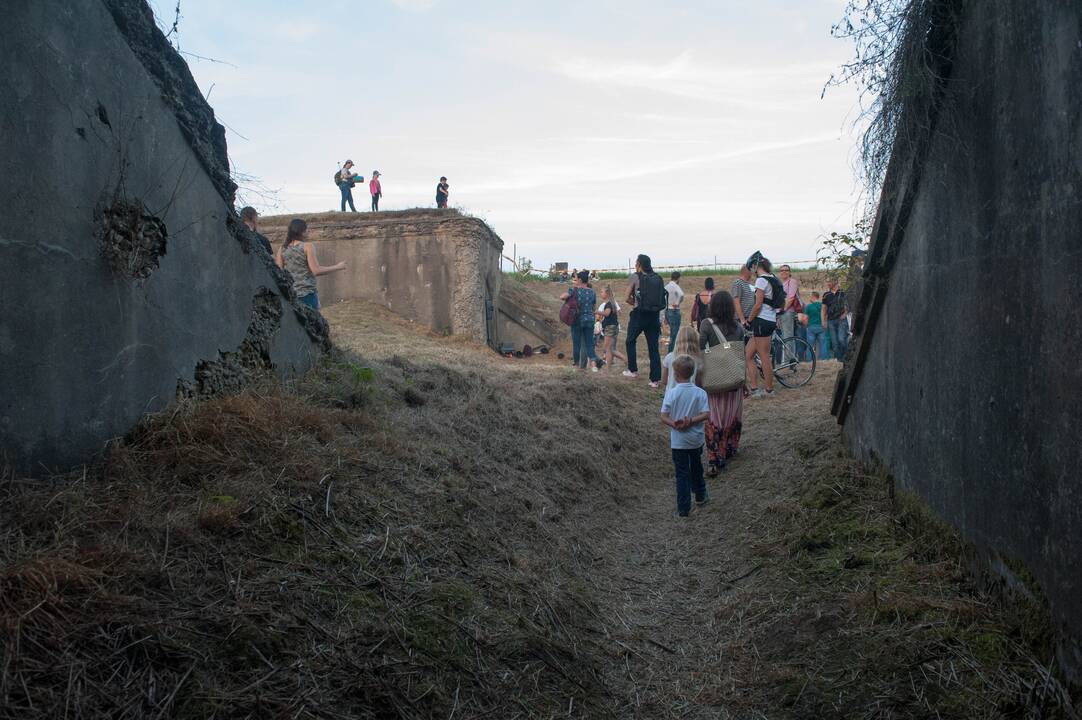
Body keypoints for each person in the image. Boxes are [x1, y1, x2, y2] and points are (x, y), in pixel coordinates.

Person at [699, 291, 746, 474]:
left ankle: (713, 457)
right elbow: (740, 356)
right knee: (730, 416)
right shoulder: (739, 328)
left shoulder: (706, 324)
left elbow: (700, 348)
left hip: (714, 380)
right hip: (734, 380)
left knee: (714, 418)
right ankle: (727, 449)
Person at [661, 355, 711, 517]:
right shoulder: (700, 393)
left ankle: (683, 508)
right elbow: (706, 414)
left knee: (681, 474)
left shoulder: (672, 393)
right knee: (697, 467)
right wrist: (691, 421)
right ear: (691, 373)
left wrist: (675, 423)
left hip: (679, 441)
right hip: (696, 440)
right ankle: (701, 495)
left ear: (675, 374)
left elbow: (663, 416)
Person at [274, 218, 347, 311]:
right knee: (312, 324)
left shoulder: (282, 249)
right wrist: (338, 267)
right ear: (302, 231)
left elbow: (278, 273)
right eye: (306, 229)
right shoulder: (307, 246)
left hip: (290, 295)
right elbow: (316, 270)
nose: (308, 231)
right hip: (307, 295)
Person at [623, 254, 666, 387]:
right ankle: (655, 380)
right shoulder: (658, 277)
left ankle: (633, 370)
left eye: (636, 263)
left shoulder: (635, 276)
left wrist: (635, 303)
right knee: (653, 348)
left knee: (630, 340)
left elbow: (626, 297)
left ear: (640, 264)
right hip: (654, 315)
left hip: (639, 314)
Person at [744, 251, 781, 397]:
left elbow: (758, 304)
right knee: (748, 354)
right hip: (770, 319)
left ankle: (769, 389)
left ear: (755, 266)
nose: (751, 271)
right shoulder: (773, 278)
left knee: (764, 356)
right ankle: (754, 388)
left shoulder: (761, 280)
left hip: (762, 320)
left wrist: (749, 320)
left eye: (751, 268)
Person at [560, 270, 599, 371]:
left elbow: (563, 297)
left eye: (576, 279)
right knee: (589, 343)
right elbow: (593, 308)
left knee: (576, 344)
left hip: (577, 320)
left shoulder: (574, 290)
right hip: (590, 320)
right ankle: (593, 365)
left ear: (580, 280)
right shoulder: (592, 292)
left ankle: (576, 366)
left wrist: (566, 295)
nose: (575, 280)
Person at [661, 325, 702, 393]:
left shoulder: (670, 357)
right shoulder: (698, 360)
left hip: (671, 396)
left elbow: (664, 380)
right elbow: (698, 383)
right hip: (691, 398)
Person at [596, 285, 627, 370]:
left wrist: (595, 311)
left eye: (602, 292)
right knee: (610, 348)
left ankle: (624, 360)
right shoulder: (611, 303)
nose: (601, 294)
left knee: (607, 348)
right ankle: (610, 366)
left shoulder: (608, 304)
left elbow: (606, 313)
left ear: (607, 293)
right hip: (613, 327)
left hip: (610, 327)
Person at [823, 278, 850, 361]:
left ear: (835, 282)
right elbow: (823, 309)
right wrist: (823, 321)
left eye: (829, 281)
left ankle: (847, 357)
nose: (828, 283)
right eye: (827, 282)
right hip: (830, 321)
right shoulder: (826, 295)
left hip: (841, 320)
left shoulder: (843, 292)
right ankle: (840, 360)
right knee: (834, 343)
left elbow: (849, 304)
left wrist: (845, 313)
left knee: (841, 339)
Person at [777, 264, 803, 342]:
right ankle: (786, 354)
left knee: (788, 338)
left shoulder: (792, 281)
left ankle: (790, 354)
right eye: (782, 270)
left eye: (786, 270)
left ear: (789, 272)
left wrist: (782, 311)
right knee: (784, 337)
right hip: (782, 312)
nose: (784, 272)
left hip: (788, 311)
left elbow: (791, 298)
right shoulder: (781, 284)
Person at [664, 271, 685, 354]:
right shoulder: (675, 286)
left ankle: (672, 351)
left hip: (667, 310)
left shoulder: (666, 286)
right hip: (674, 311)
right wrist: (677, 303)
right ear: (678, 278)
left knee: (673, 333)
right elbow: (681, 294)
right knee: (674, 334)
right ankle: (671, 352)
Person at [804, 291, 828, 360]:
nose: (809, 298)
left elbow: (805, 318)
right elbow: (826, 316)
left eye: (810, 296)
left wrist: (806, 326)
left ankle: (809, 361)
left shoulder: (809, 306)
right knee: (823, 344)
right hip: (821, 327)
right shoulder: (822, 306)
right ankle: (823, 360)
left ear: (813, 296)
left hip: (811, 327)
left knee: (810, 345)